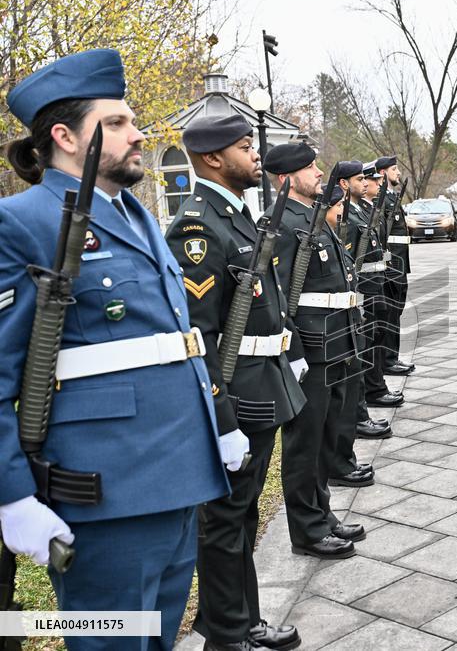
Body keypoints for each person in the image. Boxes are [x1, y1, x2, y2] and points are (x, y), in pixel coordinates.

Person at [0, 48, 229, 650]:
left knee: (157, 638)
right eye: (118, 123)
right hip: (105, 490)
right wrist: (12, 495)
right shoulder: (22, 221)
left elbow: (176, 339)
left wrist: (218, 425)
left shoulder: (135, 212)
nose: (138, 135)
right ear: (64, 137)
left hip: (178, 474)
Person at [166, 114, 307, 650]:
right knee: (225, 520)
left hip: (260, 382)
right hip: (235, 393)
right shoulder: (198, 226)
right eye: (244, 147)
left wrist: (286, 350)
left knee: (244, 513)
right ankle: (227, 632)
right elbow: (198, 338)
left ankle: (242, 618)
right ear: (211, 159)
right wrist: (220, 419)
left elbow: (264, 301)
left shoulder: (236, 216)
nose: (255, 156)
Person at [262, 143, 368, 562]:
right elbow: (279, 297)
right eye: (310, 168)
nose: (319, 171)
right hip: (312, 349)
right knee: (304, 444)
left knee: (324, 437)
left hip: (336, 343)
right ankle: (306, 529)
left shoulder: (310, 217)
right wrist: (294, 351)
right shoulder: (280, 224)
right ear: (287, 178)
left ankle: (322, 513)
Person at [337, 162, 393, 441]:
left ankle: (376, 387)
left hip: (375, 285)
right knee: (364, 348)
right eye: (359, 179)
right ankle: (369, 400)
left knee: (376, 340)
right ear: (344, 184)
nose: (365, 183)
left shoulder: (360, 210)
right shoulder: (344, 214)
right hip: (362, 291)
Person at [377, 155, 416, 376]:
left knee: (396, 313)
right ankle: (388, 360)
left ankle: (392, 357)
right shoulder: (382, 200)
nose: (398, 173)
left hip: (399, 266)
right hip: (391, 267)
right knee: (390, 314)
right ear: (383, 173)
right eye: (394, 169)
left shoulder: (392, 198)